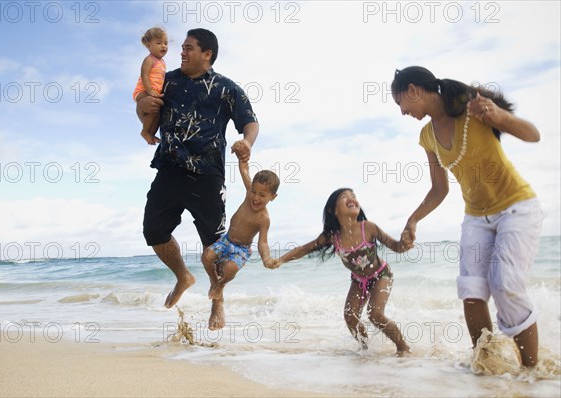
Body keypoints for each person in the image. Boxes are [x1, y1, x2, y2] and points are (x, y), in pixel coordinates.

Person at [391, 66, 543, 367]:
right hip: (475, 217)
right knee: (471, 292)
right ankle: (487, 366)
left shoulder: (473, 110)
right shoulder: (426, 136)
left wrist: (500, 117)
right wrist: (413, 219)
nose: (402, 111)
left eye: (400, 104)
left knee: (505, 285)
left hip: (516, 207)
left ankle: (531, 373)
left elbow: (533, 135)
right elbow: (439, 189)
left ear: (412, 90)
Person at [138, 29, 260, 323]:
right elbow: (144, 106)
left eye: (188, 48)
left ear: (207, 54)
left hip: (208, 176)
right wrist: (142, 106)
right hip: (168, 168)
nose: (181, 52)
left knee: (214, 244)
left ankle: (217, 298)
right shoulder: (168, 81)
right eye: (181, 47)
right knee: (153, 231)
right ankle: (183, 276)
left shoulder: (226, 88)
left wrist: (246, 142)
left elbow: (251, 123)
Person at [266, 188, 412, 356]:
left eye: (354, 196)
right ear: (333, 210)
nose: (351, 199)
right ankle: (366, 349)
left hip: (381, 274)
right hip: (358, 280)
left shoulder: (368, 227)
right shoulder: (332, 236)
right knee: (350, 317)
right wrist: (281, 260)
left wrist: (405, 243)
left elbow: (395, 246)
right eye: (345, 197)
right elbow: (304, 249)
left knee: (375, 314)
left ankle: (403, 348)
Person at [202, 155, 279, 330]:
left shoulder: (264, 219)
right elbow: (244, 170)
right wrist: (242, 155)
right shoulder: (248, 195)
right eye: (253, 191)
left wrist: (266, 258)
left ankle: (220, 286)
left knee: (230, 268)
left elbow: (263, 243)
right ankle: (215, 281)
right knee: (206, 257)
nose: (255, 198)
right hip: (226, 240)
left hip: (241, 249)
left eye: (262, 195)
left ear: (272, 197)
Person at [133, 27, 168, 145]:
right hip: (143, 91)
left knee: (156, 113)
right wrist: (150, 90)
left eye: (165, 43)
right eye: (159, 43)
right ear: (148, 45)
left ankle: (150, 133)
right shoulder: (149, 60)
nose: (163, 46)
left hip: (153, 92)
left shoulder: (162, 62)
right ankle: (145, 131)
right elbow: (144, 75)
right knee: (154, 107)